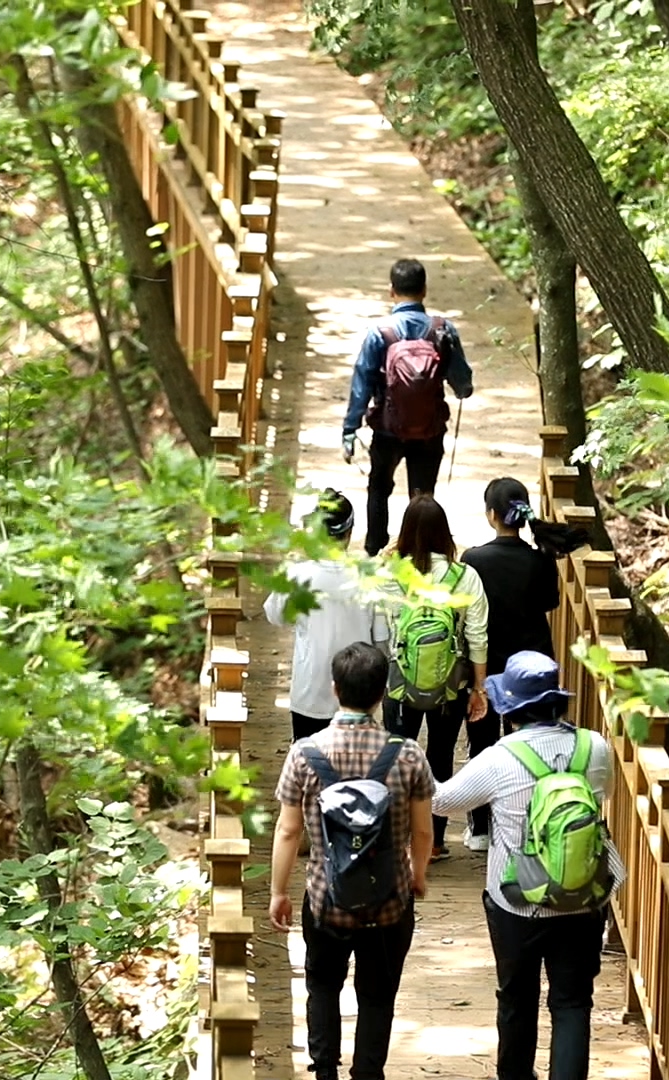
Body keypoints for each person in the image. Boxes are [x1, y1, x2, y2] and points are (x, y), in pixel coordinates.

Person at [431, 651, 613, 1080]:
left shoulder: (500, 758)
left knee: (517, 999)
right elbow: (600, 795)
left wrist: (412, 762)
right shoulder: (595, 747)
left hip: (516, 903)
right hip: (583, 898)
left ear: (510, 708)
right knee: (572, 1003)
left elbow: (441, 800)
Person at [269, 642, 435, 1080]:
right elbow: (422, 831)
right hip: (390, 900)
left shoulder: (305, 753)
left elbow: (288, 830)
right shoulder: (408, 754)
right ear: (383, 692)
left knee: (322, 986)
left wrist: (278, 892)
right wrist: (417, 875)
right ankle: (367, 1073)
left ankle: (324, 1071)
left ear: (334, 688)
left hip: (326, 899)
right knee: (378, 996)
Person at [376, 495, 488, 861]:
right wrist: (478, 688)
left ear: (405, 533)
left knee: (397, 755)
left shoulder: (392, 574)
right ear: (445, 534)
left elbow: (379, 629)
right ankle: (435, 841)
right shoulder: (465, 577)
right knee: (439, 756)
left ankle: (398, 838)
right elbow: (477, 637)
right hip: (450, 685)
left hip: (400, 682)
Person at [341, 258, 475, 557]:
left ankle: (376, 549)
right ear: (424, 290)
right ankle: (420, 553)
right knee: (422, 495)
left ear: (392, 291)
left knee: (379, 488)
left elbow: (361, 382)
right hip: (429, 429)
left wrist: (350, 430)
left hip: (388, 429)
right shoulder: (442, 329)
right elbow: (462, 384)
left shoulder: (380, 332)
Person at [457, 478, 564, 851]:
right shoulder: (540, 558)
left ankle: (482, 828)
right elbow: (550, 603)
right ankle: (528, 819)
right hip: (532, 663)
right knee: (530, 742)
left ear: (491, 516)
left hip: (487, 663)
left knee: (483, 744)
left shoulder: (474, 559)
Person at [265, 490, 392, 742]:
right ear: (350, 532)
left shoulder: (298, 575)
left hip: (309, 691)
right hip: (357, 694)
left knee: (308, 765)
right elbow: (381, 641)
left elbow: (274, 615)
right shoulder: (367, 578)